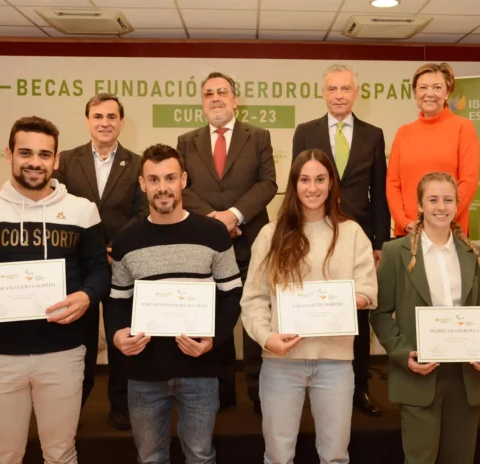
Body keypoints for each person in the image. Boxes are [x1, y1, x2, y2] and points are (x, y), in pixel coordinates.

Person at [0, 116, 110, 464]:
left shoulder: (82, 210)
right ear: (9, 154)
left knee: (60, 452)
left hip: (64, 353)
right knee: (4, 454)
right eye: (25, 153)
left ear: (56, 160)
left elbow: (100, 271)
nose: (35, 162)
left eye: (44, 154)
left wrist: (86, 296)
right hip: (0, 355)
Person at [107, 144, 242, 464]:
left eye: (170, 178)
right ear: (143, 184)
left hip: (200, 370)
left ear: (183, 180)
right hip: (144, 372)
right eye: (154, 180)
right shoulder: (125, 239)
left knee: (200, 456)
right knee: (150, 458)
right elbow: (117, 302)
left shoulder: (213, 233)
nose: (162, 187)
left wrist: (213, 339)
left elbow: (232, 294)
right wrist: (116, 335)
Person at [241, 148, 378, 464]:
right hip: (281, 361)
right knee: (278, 456)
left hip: (335, 362)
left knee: (335, 456)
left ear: (331, 183)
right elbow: (254, 299)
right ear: (294, 184)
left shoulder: (352, 233)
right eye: (304, 180)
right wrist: (267, 338)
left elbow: (368, 291)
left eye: (320, 179)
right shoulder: (270, 234)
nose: (312, 188)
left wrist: (340, 302)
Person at [371, 172, 480, 464]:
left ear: (457, 205)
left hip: (465, 377)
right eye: (433, 199)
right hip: (419, 374)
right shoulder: (395, 252)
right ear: (420, 205)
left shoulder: (472, 252)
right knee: (420, 459)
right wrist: (404, 354)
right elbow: (380, 313)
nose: (441, 207)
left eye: (448, 200)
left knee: (460, 459)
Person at [177, 71, 277, 414]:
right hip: (207, 247)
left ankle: (259, 393)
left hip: (251, 244)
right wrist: (214, 220)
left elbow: (268, 183)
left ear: (235, 100)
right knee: (215, 318)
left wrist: (234, 215)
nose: (216, 97)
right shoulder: (186, 141)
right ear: (202, 102)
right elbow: (183, 188)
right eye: (209, 93)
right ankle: (221, 393)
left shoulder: (258, 136)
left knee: (255, 318)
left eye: (222, 92)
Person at [292, 63, 389, 416]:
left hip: (356, 238)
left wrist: (379, 243)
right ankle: (310, 385)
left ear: (356, 93)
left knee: (357, 315)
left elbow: (379, 192)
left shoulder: (373, 134)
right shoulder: (306, 131)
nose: (338, 95)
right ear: (323, 93)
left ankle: (359, 388)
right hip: (312, 234)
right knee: (313, 308)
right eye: (332, 89)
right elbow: (297, 184)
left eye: (345, 88)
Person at [54, 93, 148, 430]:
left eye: (111, 116)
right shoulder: (67, 160)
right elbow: (59, 208)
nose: (104, 123)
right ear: (87, 121)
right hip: (80, 266)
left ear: (121, 122)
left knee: (122, 335)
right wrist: (93, 250)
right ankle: (73, 404)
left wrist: (113, 248)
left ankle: (121, 405)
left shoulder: (137, 164)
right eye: (98, 116)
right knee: (81, 340)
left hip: (122, 264)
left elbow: (142, 213)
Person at [387, 62, 480, 237]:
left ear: (447, 92)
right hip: (408, 232)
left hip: (449, 231)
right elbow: (392, 184)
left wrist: (439, 220)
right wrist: (404, 222)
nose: (429, 93)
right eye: (423, 88)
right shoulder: (403, 132)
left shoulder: (463, 128)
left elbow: (468, 181)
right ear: (415, 92)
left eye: (437, 87)